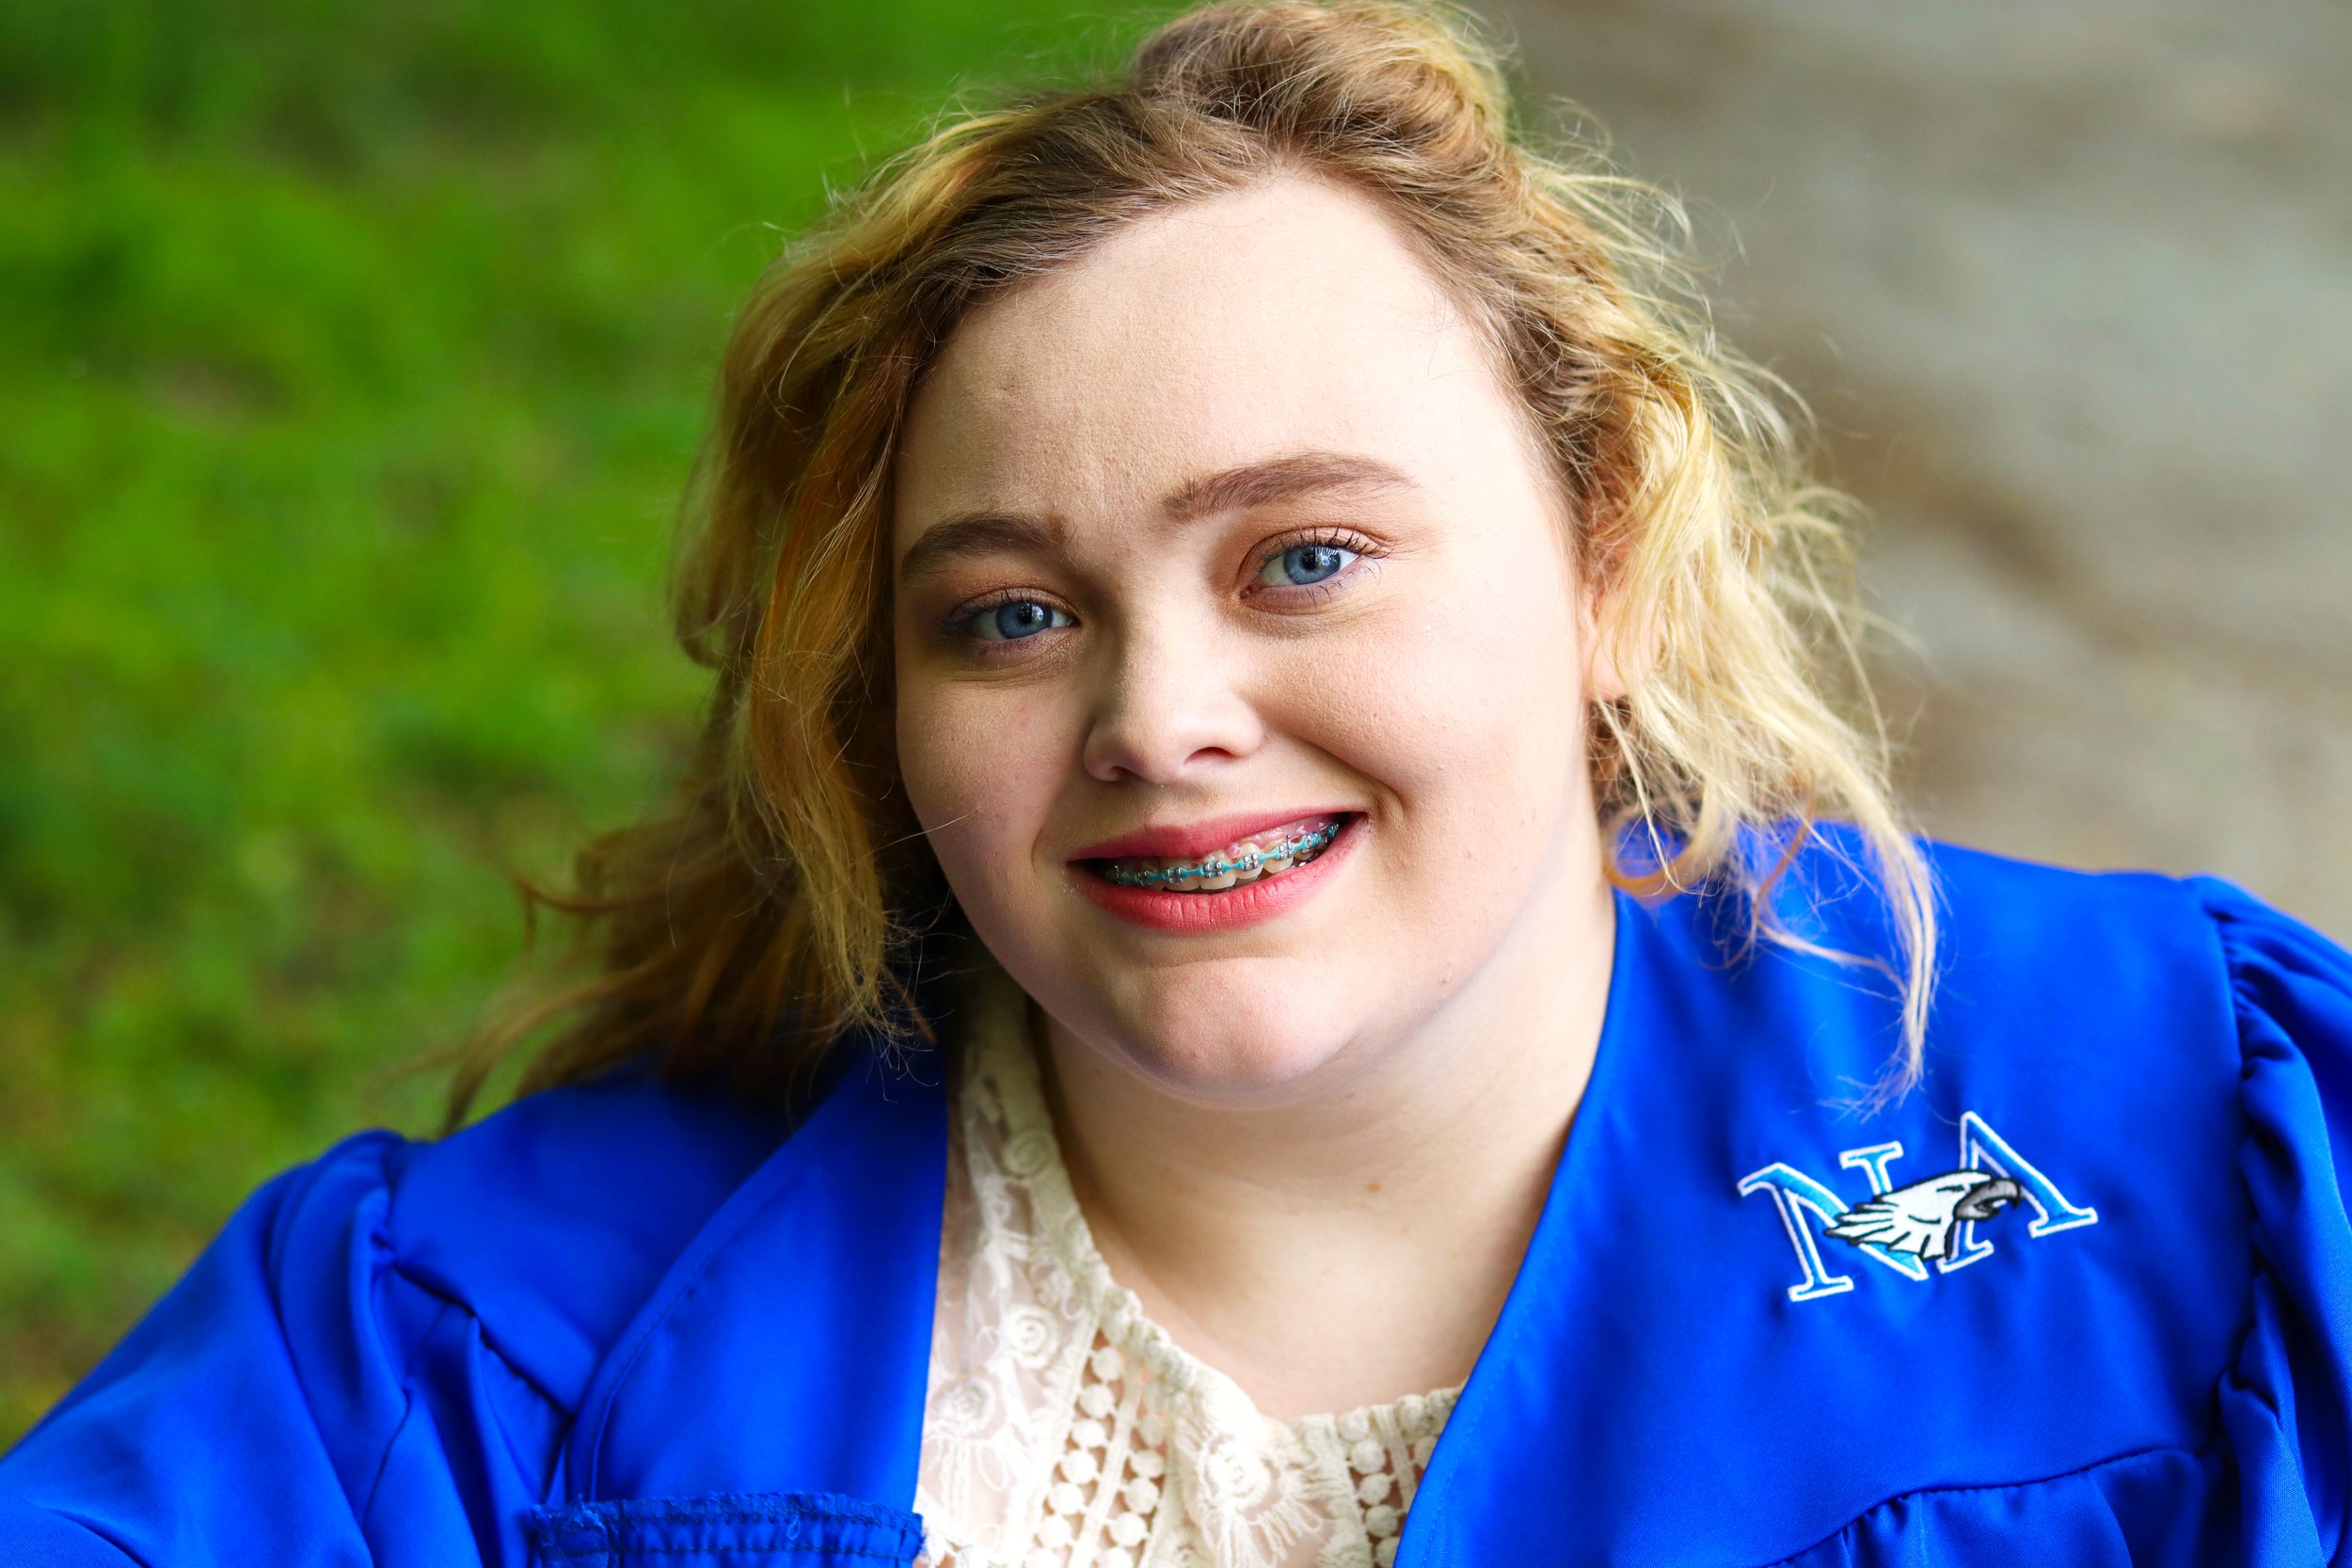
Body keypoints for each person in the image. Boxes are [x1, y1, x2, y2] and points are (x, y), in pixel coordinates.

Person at [4, 2, 2347, 1564]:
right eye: (1009, 615)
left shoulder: (2192, 1161)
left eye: (1300, 559)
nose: (1158, 715)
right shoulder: (469, 1365)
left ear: (1604, 560)